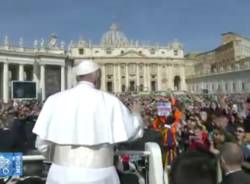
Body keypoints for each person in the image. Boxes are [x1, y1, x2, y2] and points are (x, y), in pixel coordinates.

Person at [32, 60, 144, 184]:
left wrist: (62, 160)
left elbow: (41, 143)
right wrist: (136, 114)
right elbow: (133, 132)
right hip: (101, 174)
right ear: (97, 76)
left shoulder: (53, 100)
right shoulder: (110, 101)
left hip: (61, 174)